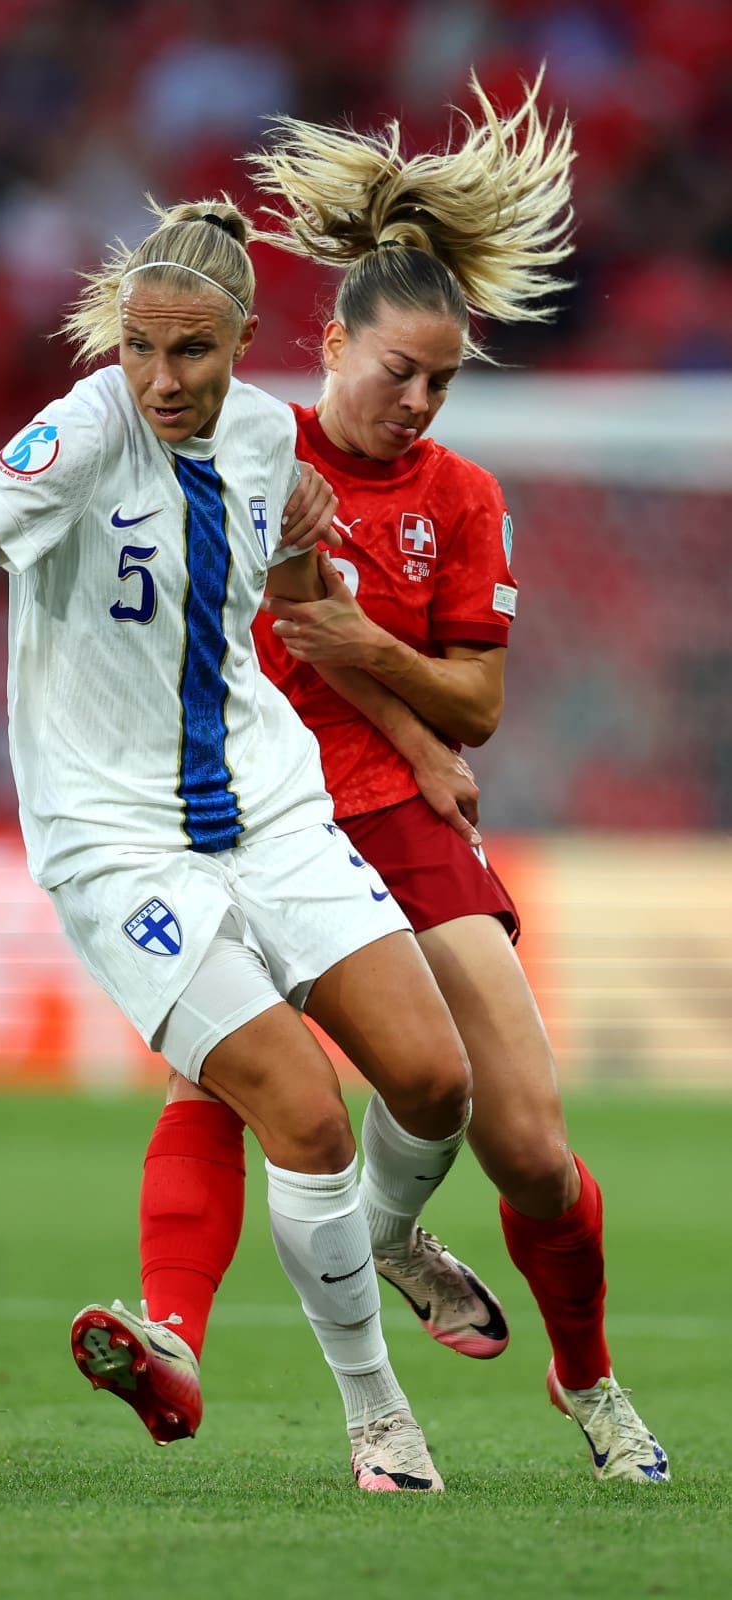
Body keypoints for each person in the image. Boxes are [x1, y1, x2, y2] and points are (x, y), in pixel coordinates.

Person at [0, 196, 498, 1494]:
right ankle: (377, 1417)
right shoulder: (80, 432)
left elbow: (303, 611)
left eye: (188, 350)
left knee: (435, 1084)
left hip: (270, 808)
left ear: (245, 339)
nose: (159, 378)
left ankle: (386, 1242)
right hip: (116, 843)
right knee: (302, 1109)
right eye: (138, 347)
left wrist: (417, 744)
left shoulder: (267, 445)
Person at [78, 72, 669, 1486]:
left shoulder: (462, 498)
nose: (418, 400)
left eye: (443, 383)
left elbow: (480, 701)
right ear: (330, 345)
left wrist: (373, 668)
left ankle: (581, 1376)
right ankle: (175, 1339)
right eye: (398, 370)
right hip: (246, 814)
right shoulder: (247, 443)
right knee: (216, 1081)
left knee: (524, 1140)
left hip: (396, 817)